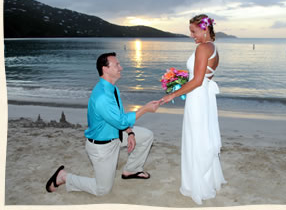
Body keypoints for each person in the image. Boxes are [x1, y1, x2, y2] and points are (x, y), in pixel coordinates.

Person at [46, 52, 160, 196]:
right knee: (102, 190)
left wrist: (130, 132)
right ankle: (63, 177)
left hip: (116, 135)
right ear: (105, 69)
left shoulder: (112, 88)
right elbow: (120, 121)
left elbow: (117, 118)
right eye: (117, 64)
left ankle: (132, 170)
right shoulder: (102, 96)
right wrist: (145, 109)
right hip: (102, 147)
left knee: (146, 135)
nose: (121, 67)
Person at [160, 14, 226, 204]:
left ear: (204, 29)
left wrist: (172, 94)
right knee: (200, 136)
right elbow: (203, 77)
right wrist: (181, 78)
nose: (191, 35)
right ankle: (205, 179)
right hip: (203, 97)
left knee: (196, 138)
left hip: (197, 98)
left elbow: (197, 80)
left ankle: (197, 184)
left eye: (193, 31)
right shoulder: (212, 47)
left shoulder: (203, 48)